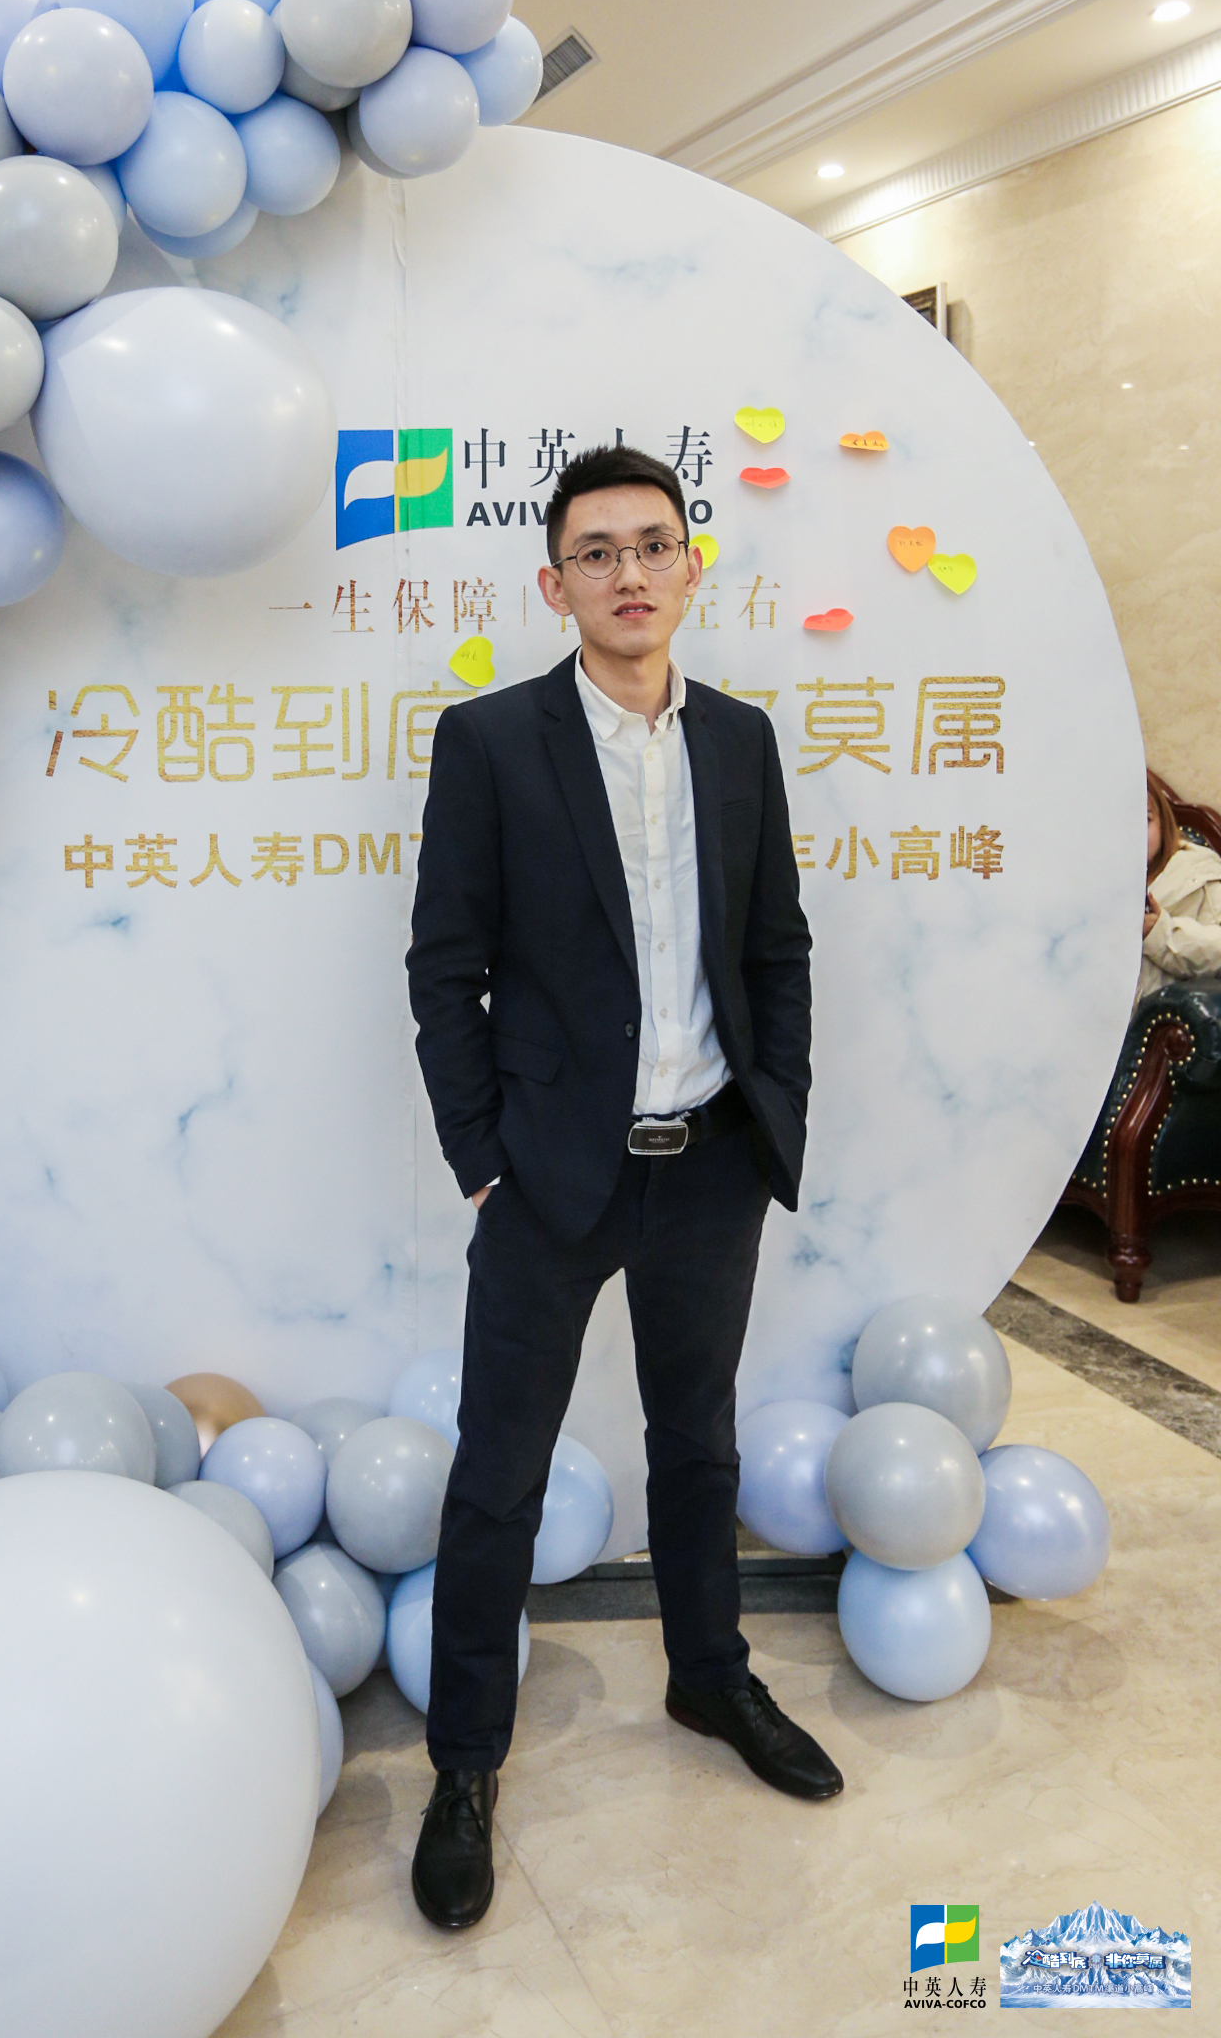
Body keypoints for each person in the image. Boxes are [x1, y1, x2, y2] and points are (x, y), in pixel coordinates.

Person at [404, 441, 841, 1933]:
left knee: (697, 1445)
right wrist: (483, 1161)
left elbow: (775, 947)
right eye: (596, 552)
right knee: (498, 1475)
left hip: (709, 1161)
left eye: (653, 545)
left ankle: (709, 1677)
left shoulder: (741, 741)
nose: (629, 573)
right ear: (555, 585)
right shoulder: (492, 742)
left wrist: (773, 1113)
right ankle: (466, 1762)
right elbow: (444, 967)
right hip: (549, 1177)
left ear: (690, 567)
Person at [1140, 770, 1221, 1004]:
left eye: (1145, 821)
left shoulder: (1197, 871)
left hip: (1162, 1015)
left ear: (1163, 822)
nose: (1135, 834)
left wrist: (1158, 932)